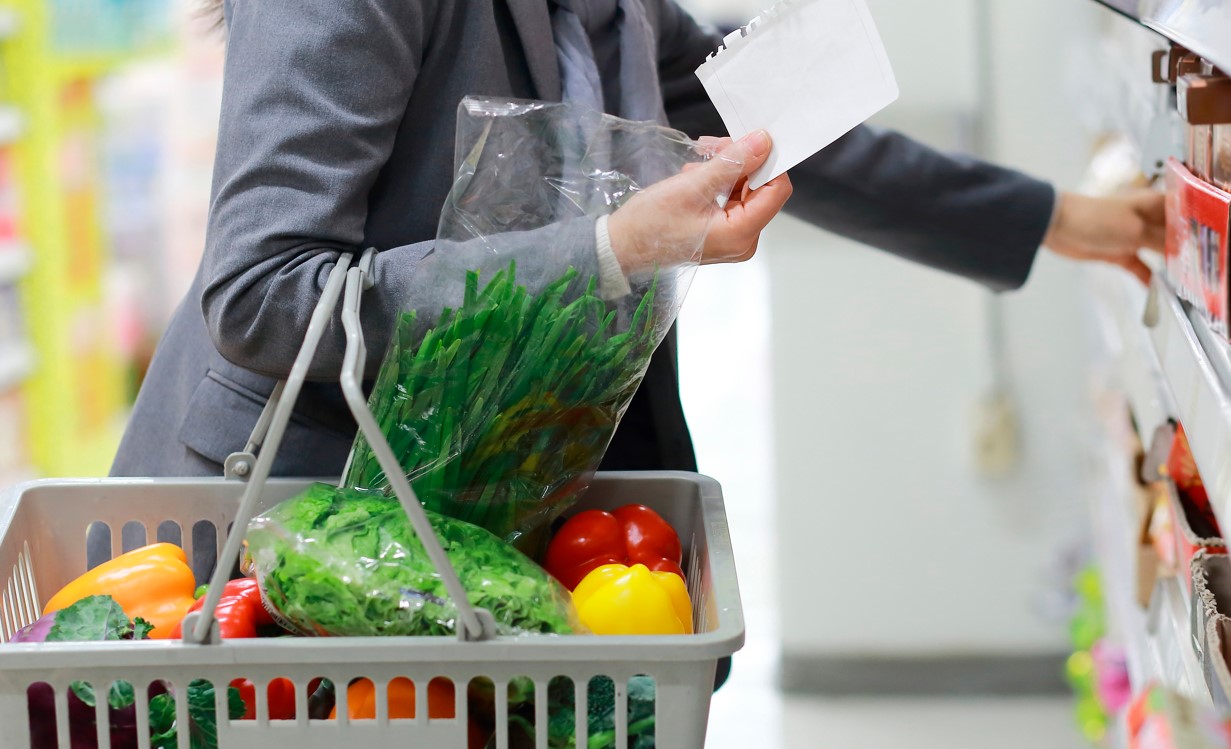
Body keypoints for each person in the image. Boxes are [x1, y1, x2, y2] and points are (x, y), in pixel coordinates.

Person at [113, 0, 1163, 484]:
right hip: (294, 517)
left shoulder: (614, 9)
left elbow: (773, 130)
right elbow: (263, 294)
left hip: (474, 493)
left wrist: (1061, 218)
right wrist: (610, 248)